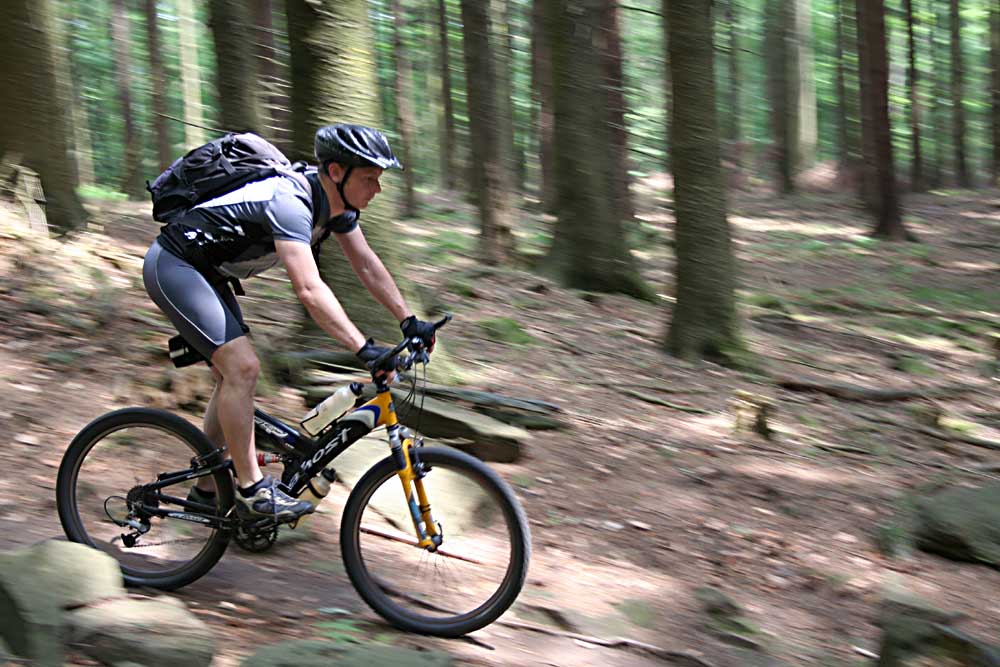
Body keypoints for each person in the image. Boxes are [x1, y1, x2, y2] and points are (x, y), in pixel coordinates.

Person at [142, 124, 437, 521]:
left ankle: (205, 492)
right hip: (175, 266)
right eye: (369, 178)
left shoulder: (336, 209)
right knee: (243, 368)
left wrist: (409, 320)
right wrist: (363, 348)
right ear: (336, 172)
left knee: (231, 377)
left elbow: (366, 264)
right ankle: (251, 489)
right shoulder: (291, 202)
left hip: (207, 271)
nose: (377, 189)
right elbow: (309, 289)